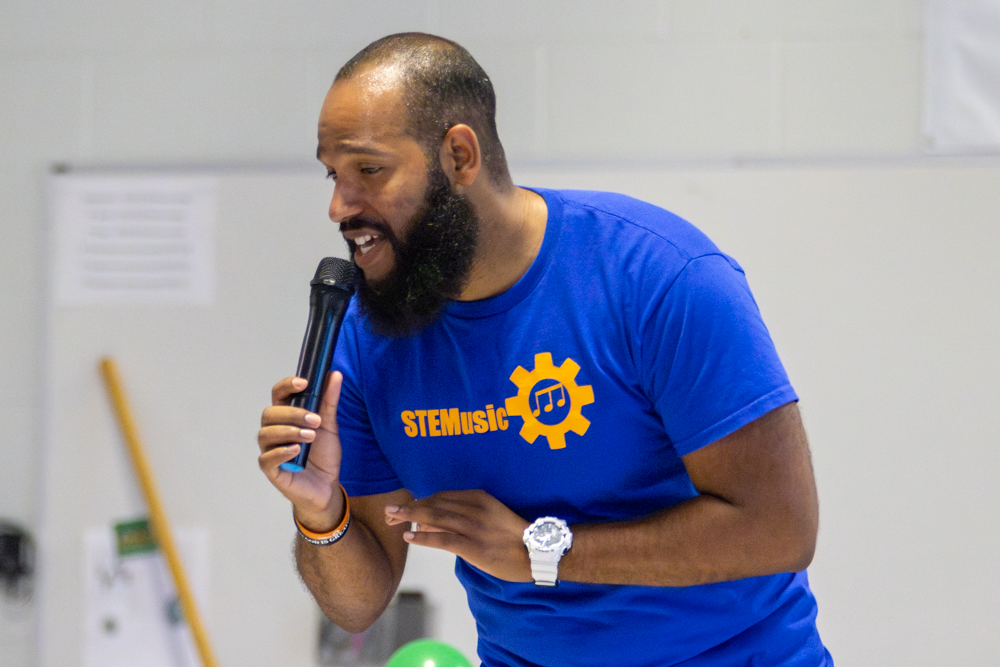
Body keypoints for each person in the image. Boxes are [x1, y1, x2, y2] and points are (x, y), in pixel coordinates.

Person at [258, 32, 832, 667]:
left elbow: (780, 527)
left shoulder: (656, 274)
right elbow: (358, 604)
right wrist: (320, 513)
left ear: (458, 155)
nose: (341, 206)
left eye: (369, 170)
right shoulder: (369, 337)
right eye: (333, 175)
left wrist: (540, 551)